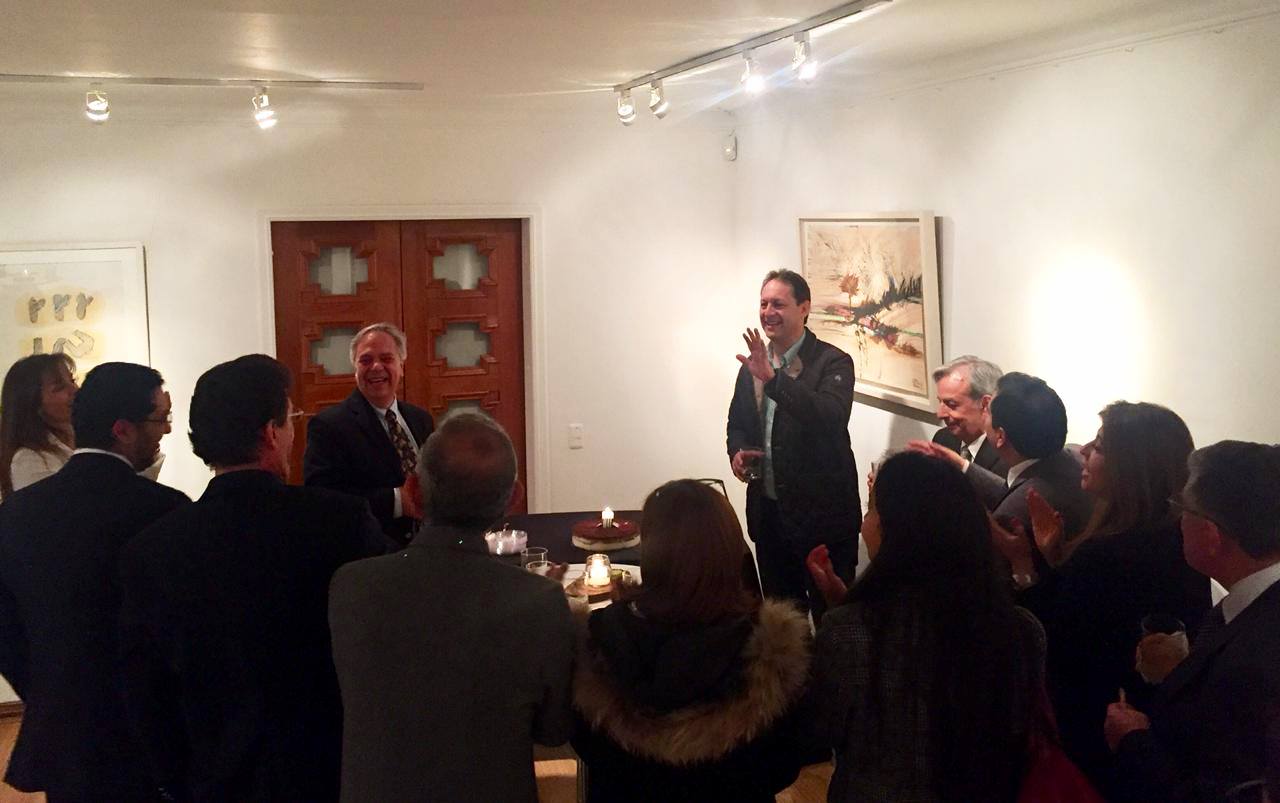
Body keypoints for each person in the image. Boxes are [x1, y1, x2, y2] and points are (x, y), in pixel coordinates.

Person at [118, 355, 385, 803]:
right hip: (330, 770)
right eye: (291, 419)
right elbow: (383, 644)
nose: (293, 433)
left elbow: (147, 693)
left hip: (216, 778)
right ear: (270, 433)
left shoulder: (152, 551)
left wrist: (176, 782)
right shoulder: (341, 523)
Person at [328, 411, 574, 803]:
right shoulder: (540, 602)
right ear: (514, 498)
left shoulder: (350, 586)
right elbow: (553, 731)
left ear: (414, 492)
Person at [992, 401, 1210, 795]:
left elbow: (1055, 643)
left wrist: (1023, 564)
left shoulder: (1107, 554)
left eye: (1100, 446)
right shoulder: (1179, 538)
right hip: (1153, 729)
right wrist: (1056, 557)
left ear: (1131, 467)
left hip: (1097, 736)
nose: (1083, 451)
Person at [0, 362, 189, 802]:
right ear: (122, 429)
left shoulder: (15, 515)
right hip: (148, 733)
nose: (165, 429)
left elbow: (6, 629)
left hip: (66, 731)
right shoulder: (164, 510)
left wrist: (49, 688)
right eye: (160, 418)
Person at [808, 450, 1044, 802]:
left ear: (895, 529)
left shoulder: (848, 632)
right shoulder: (1020, 631)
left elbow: (824, 729)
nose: (864, 523)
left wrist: (842, 615)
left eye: (871, 510)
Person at [571, 479, 813, 803]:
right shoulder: (772, 651)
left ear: (650, 552)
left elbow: (585, 744)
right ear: (731, 551)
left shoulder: (599, 638)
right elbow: (783, 766)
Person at [1105, 440, 1280, 803]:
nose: (1178, 520)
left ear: (1211, 535)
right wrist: (1184, 671)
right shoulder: (1250, 607)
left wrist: (1133, 739)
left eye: (1183, 508)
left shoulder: (1253, 663)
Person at [726, 269, 860, 620]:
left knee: (833, 620)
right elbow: (737, 424)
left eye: (778, 304)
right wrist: (737, 453)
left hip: (823, 523)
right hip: (770, 519)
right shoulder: (754, 364)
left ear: (804, 308)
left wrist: (774, 380)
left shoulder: (833, 362)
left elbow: (829, 417)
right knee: (783, 625)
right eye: (763, 304)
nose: (768, 312)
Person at [917, 372, 1094, 555]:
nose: (983, 409)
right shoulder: (1074, 458)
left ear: (1000, 436)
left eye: (987, 409)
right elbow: (1015, 489)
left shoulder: (1010, 519)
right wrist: (962, 465)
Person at [304, 322, 434, 546]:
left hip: (429, 546)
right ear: (355, 369)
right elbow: (323, 500)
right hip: (372, 552)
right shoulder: (329, 426)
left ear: (401, 366)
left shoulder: (421, 419)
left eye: (386, 359)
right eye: (365, 360)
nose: (376, 367)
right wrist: (397, 501)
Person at [0, 353, 78, 498]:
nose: (75, 389)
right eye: (60, 387)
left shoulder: (86, 438)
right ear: (33, 402)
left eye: (72, 381)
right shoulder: (29, 460)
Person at [925, 354, 1009, 478]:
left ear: (986, 404)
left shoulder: (1008, 456)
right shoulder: (943, 439)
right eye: (940, 402)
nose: (940, 414)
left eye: (952, 404)